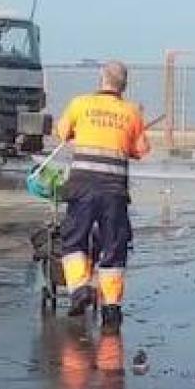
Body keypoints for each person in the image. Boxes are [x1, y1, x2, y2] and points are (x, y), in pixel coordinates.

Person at [55, 61, 150, 333]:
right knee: (114, 246)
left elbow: (62, 133)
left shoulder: (79, 104)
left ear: (101, 80)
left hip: (82, 185)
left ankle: (79, 289)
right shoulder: (131, 112)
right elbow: (141, 150)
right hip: (114, 191)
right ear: (125, 85)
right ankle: (111, 308)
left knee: (74, 239)